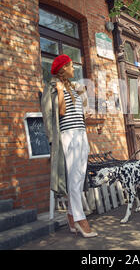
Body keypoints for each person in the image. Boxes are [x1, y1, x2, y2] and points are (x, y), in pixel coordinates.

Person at [41, 54, 97, 238]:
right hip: (67, 135)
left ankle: (71, 215)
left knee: (79, 178)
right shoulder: (52, 87)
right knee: (73, 178)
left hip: (81, 134)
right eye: (71, 66)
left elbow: (81, 111)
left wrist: (85, 112)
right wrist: (52, 140)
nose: (74, 69)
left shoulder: (74, 87)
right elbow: (54, 114)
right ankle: (81, 219)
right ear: (63, 67)